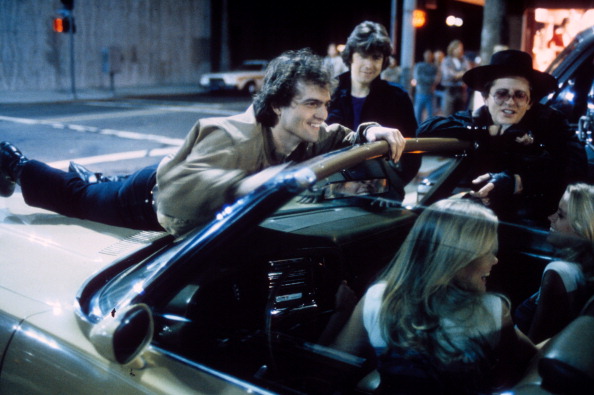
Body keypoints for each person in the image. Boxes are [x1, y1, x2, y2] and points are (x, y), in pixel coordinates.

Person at [0, 49, 405, 237]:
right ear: (279, 104)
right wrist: (241, 186)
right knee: (81, 198)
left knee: (97, 182)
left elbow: (344, 137)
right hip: (148, 198)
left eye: (326, 104)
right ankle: (13, 161)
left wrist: (372, 132)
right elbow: (173, 196)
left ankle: (95, 176)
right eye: (311, 104)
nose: (322, 115)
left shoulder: (306, 133)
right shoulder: (230, 135)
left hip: (169, 181)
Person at [331, 199, 537, 393]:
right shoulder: (491, 309)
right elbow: (517, 368)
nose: (495, 260)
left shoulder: (378, 297)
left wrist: (341, 313)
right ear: (458, 259)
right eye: (488, 252)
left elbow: (331, 366)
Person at [418, 49, 588, 228]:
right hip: (480, 220)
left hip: (532, 222)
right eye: (501, 93)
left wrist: (519, 182)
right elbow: (425, 129)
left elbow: (577, 166)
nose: (510, 102)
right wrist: (484, 130)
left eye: (519, 95)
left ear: (529, 102)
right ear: (485, 97)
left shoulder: (551, 121)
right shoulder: (477, 118)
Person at [327, 21, 420, 198]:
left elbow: (412, 156)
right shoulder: (328, 93)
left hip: (379, 194)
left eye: (376, 57)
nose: (369, 64)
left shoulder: (398, 98)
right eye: (363, 55)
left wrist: (390, 186)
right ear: (351, 55)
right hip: (332, 191)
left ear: (384, 60)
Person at [514, 183, 594, 344]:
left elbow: (534, 345)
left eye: (561, 215)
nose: (551, 218)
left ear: (582, 227)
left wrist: (502, 324)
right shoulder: (579, 269)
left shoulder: (559, 272)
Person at [440, 40, 471, 116]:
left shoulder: (464, 60)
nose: (460, 50)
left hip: (461, 91)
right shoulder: (446, 60)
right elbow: (448, 75)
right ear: (452, 49)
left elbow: (468, 73)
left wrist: (456, 74)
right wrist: (460, 74)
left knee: (461, 116)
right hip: (450, 91)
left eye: (461, 48)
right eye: (458, 48)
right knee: (448, 116)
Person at [413, 49, 439, 122]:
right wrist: (429, 80)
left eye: (430, 55)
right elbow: (417, 77)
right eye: (427, 55)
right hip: (420, 92)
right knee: (418, 115)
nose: (428, 57)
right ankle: (418, 131)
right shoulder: (419, 65)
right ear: (424, 56)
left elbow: (436, 79)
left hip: (431, 93)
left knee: (431, 115)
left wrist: (424, 79)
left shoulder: (434, 67)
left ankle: (428, 131)